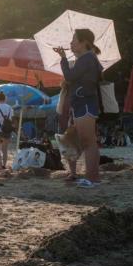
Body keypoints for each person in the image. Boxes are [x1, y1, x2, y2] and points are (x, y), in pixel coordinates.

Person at [53, 28, 103, 188]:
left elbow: (69, 76)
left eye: (74, 40)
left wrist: (63, 59)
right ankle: (92, 177)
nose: (71, 43)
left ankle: (92, 178)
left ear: (84, 43)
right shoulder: (88, 58)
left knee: (89, 142)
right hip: (84, 103)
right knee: (88, 142)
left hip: (86, 103)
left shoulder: (87, 58)